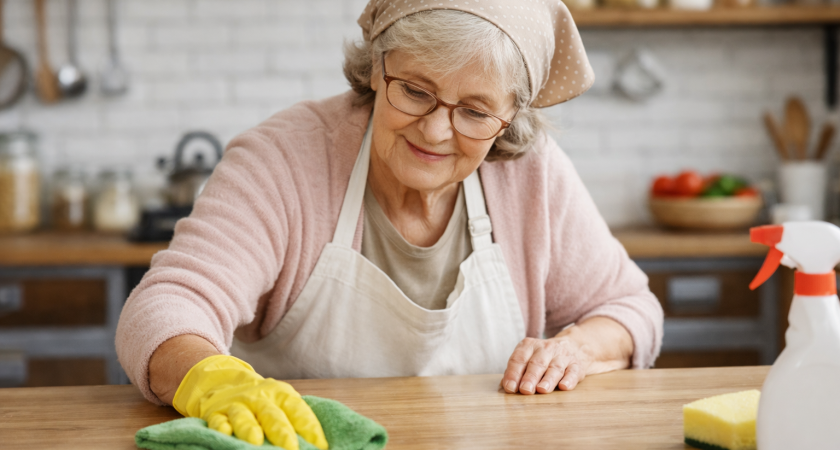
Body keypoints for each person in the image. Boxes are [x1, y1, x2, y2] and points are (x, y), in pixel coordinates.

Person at [116, 1, 664, 448]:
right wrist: (214, 380)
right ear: (378, 69)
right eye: (417, 91)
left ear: (510, 118)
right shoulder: (284, 159)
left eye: (474, 111)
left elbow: (630, 310)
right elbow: (164, 308)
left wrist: (576, 350)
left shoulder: (531, 173)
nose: (436, 132)